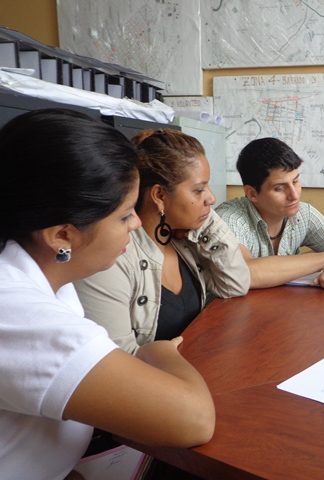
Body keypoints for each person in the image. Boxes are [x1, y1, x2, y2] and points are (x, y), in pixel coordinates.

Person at [0, 109, 214, 480]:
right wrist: (159, 350)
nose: (136, 224)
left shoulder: (50, 276)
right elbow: (194, 420)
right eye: (125, 215)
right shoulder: (16, 312)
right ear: (62, 235)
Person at [74, 129, 250, 354]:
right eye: (198, 190)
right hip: (154, 382)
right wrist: (166, 355)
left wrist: (206, 220)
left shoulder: (184, 241)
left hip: (195, 365)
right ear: (159, 195)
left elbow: (234, 285)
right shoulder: (113, 258)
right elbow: (119, 361)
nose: (212, 198)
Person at [215, 137, 324, 289]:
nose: (294, 195)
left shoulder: (303, 214)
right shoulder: (229, 218)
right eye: (279, 188)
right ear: (252, 194)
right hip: (227, 312)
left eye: (295, 181)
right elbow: (245, 273)